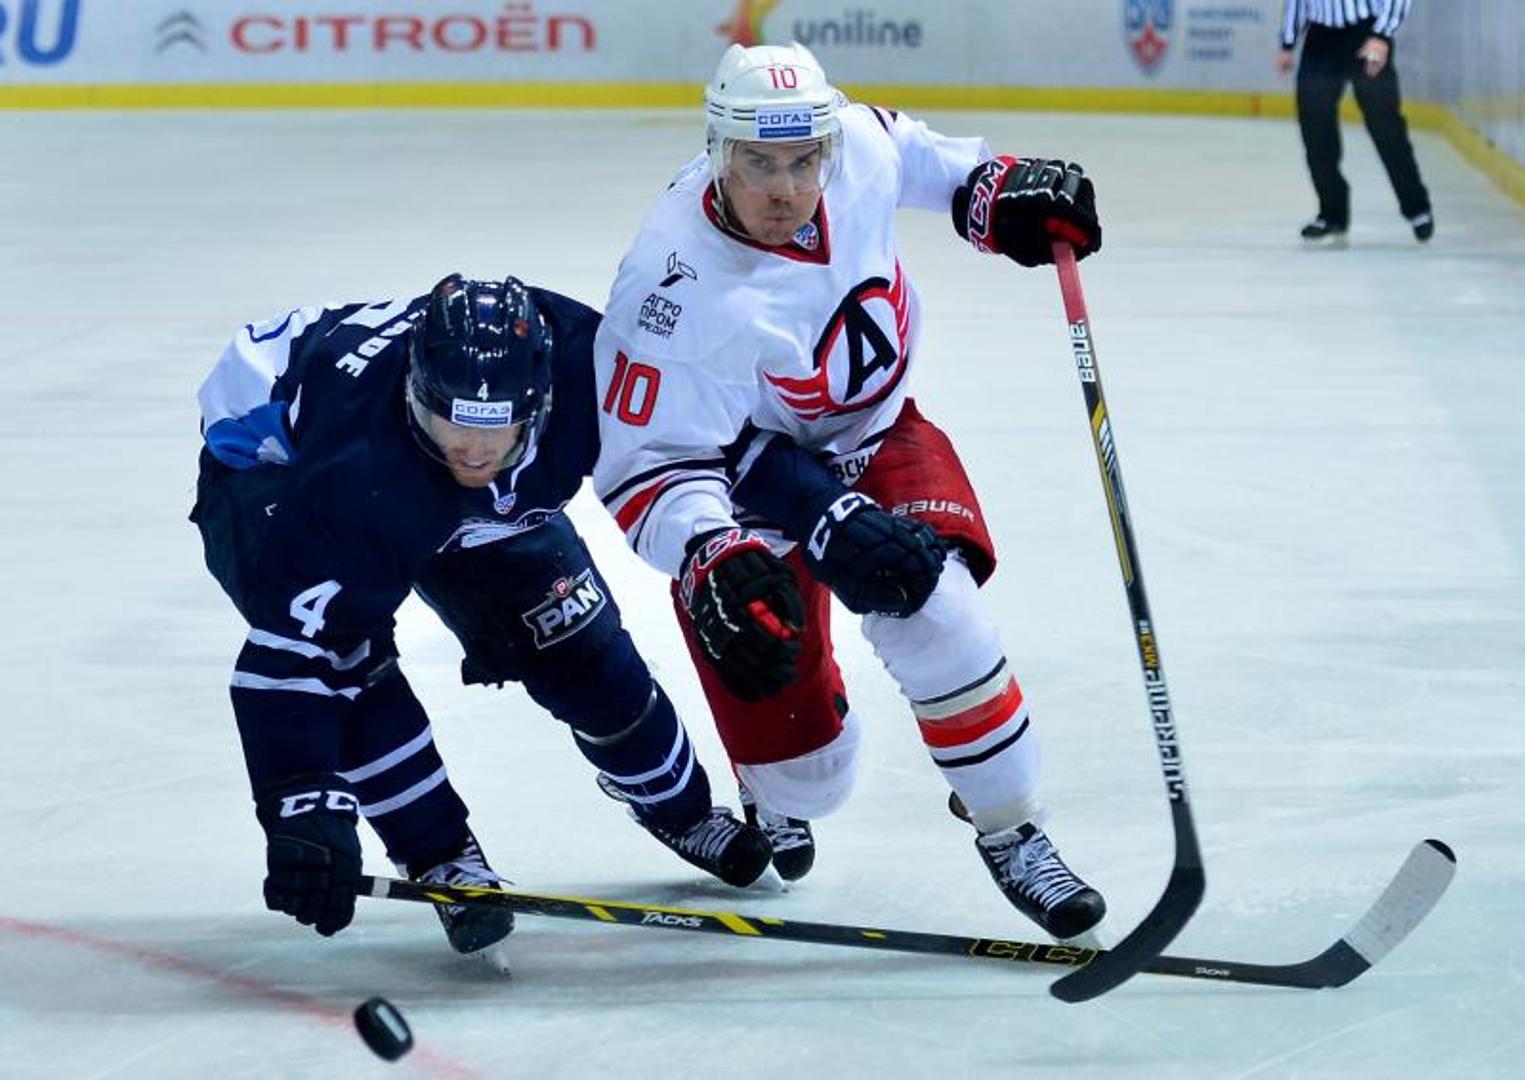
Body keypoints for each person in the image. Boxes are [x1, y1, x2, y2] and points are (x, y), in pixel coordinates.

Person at [590, 42, 1107, 940]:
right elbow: (645, 467)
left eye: (803, 162)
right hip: (747, 484)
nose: (786, 189)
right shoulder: (670, 287)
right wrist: (712, 554)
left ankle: (1012, 829)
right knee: (809, 781)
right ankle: (775, 788)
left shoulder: (856, 144)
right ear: (718, 151)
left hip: (876, 432)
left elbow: (928, 161)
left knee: (938, 608)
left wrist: (996, 193)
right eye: (759, 164)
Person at [191, 274, 778, 968]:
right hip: (274, 475)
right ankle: (442, 856)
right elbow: (294, 657)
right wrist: (301, 800)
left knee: (577, 647)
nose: (473, 450)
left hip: (406, 476)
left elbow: (706, 444)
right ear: (414, 395)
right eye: (454, 423)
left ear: (541, 402)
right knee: (352, 661)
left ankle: (682, 809)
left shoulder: (591, 369)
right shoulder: (356, 475)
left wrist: (826, 516)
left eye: (495, 425)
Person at [1277, 0, 1433, 244]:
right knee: (1315, 127)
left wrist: (1381, 34)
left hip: (1366, 32)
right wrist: (1287, 42)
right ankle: (1332, 213)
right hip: (1321, 38)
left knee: (1385, 125)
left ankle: (1417, 207)